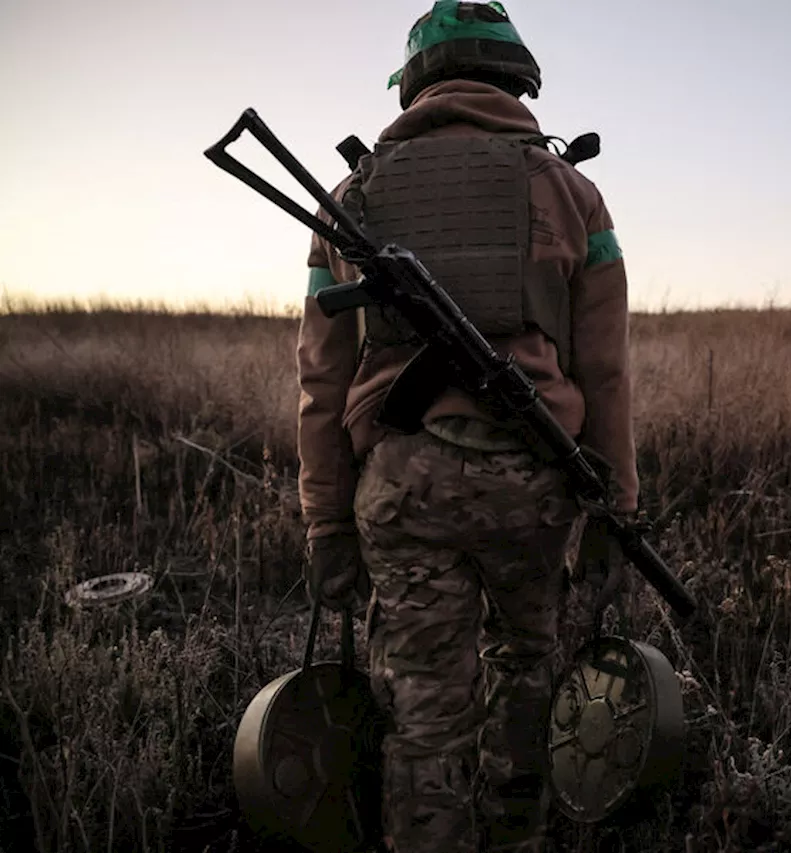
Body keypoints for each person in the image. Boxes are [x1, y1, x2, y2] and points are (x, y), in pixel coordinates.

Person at [295, 2, 638, 851]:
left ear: (414, 83)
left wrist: (325, 519)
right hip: (536, 478)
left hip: (402, 487)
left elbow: (320, 381)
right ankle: (515, 836)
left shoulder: (351, 197)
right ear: (517, 78)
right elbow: (606, 372)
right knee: (527, 668)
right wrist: (617, 505)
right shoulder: (574, 191)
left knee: (424, 709)